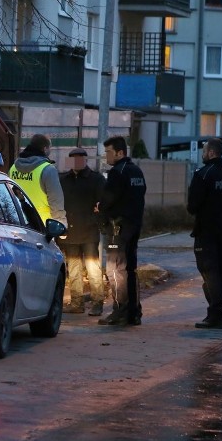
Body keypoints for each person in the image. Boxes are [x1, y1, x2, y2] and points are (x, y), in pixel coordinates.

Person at [187, 137, 222, 329]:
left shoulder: (203, 175)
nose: (202, 154)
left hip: (206, 233)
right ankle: (216, 311)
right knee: (221, 271)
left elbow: (192, 206)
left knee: (209, 273)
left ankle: (217, 313)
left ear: (211, 153)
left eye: (204, 150)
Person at [97, 136, 146, 326]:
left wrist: (100, 209)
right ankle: (134, 312)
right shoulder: (136, 171)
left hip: (118, 227)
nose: (106, 156)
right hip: (134, 225)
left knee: (115, 269)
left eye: (108, 152)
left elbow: (108, 200)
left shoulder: (118, 172)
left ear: (120, 153)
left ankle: (120, 311)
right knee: (130, 269)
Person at [59, 148, 107, 316]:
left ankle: (97, 302)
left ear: (86, 160)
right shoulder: (64, 179)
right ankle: (77, 302)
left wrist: (96, 221)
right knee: (74, 268)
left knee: (92, 267)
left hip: (88, 231)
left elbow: (102, 204)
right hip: (71, 230)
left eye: (80, 159)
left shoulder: (96, 179)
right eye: (74, 159)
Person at [9, 134, 67, 227]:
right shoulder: (48, 169)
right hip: (42, 224)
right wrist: (60, 225)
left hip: (18, 220)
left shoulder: (14, 167)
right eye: (49, 148)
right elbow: (56, 201)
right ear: (45, 149)